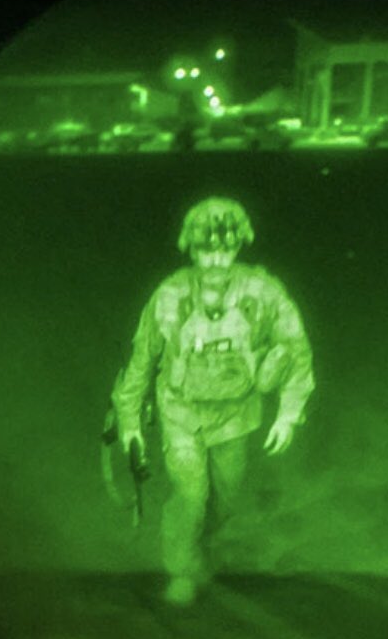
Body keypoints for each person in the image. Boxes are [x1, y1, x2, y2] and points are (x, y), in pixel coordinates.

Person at [111, 197, 316, 606]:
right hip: (181, 411)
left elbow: (296, 350)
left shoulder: (264, 292)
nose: (217, 259)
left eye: (226, 249)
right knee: (191, 495)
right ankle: (181, 570)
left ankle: (199, 546)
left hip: (236, 415)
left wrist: (288, 414)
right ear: (191, 249)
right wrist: (129, 421)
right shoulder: (169, 295)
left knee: (224, 500)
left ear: (238, 246)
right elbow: (142, 359)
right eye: (207, 250)